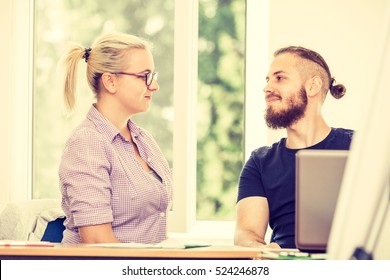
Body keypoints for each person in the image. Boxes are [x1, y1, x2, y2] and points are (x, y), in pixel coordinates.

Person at [58, 32, 173, 244]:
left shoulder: (144, 139)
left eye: (153, 76)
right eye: (145, 76)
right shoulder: (87, 144)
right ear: (110, 81)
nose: (154, 86)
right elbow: (97, 243)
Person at [234, 46, 354, 249]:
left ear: (313, 86)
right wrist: (263, 251)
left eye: (279, 78)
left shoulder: (358, 147)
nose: (267, 88)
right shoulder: (260, 162)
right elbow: (247, 234)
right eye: (268, 80)